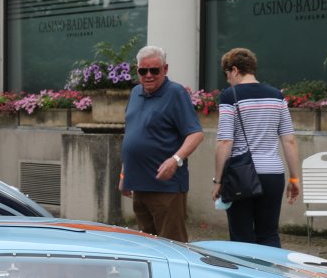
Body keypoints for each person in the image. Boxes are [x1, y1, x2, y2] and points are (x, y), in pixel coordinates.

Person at [212, 47, 301, 247]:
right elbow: (289, 140)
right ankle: (272, 267)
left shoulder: (229, 96)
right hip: (273, 175)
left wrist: (218, 181)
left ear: (234, 70)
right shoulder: (277, 96)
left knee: (241, 238)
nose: (228, 80)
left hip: (240, 175)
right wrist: (294, 178)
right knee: (269, 234)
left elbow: (225, 141)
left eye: (227, 75)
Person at [118, 44, 204, 241]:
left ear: (165, 69)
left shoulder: (175, 93)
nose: (149, 75)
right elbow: (131, 135)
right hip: (138, 185)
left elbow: (195, 134)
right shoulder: (135, 93)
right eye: (143, 71)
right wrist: (124, 173)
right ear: (137, 70)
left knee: (172, 245)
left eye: (154, 70)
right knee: (146, 246)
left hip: (165, 188)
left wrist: (175, 160)